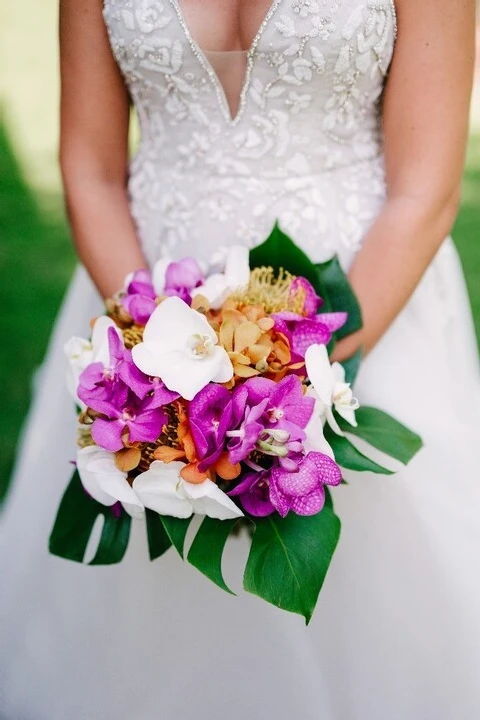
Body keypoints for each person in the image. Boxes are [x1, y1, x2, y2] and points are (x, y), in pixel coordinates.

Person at [1, 1, 479, 718]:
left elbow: (425, 191)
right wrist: (153, 378)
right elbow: (92, 171)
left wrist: (291, 395)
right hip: (144, 299)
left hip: (366, 303)